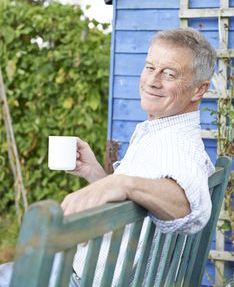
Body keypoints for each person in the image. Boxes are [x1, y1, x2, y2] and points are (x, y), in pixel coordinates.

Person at [61, 27, 217, 286]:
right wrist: (97, 174)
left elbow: (192, 205)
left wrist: (121, 182)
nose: (153, 80)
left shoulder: (178, 145)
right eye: (149, 67)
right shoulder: (159, 132)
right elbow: (136, 205)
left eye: (170, 74)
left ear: (198, 90)